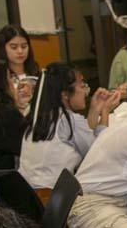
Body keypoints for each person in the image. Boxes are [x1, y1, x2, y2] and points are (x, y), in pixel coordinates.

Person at [19, 63, 117, 197]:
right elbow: (99, 152)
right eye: (82, 85)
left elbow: (85, 138)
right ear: (65, 94)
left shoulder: (34, 115)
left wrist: (95, 109)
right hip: (54, 201)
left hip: (29, 200)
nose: (86, 90)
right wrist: (105, 110)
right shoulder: (69, 121)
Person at [0, 24, 40, 110]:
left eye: (24, 46)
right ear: (3, 48)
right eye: (14, 47)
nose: (20, 51)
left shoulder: (36, 72)